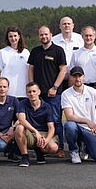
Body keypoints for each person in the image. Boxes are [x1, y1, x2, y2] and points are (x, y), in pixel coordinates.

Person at [28, 25, 67, 157]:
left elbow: (63, 70)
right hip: (39, 95)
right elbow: (31, 69)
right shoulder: (35, 51)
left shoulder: (58, 51)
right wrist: (32, 88)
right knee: (38, 120)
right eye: (41, 35)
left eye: (46, 34)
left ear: (51, 35)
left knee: (56, 120)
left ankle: (60, 147)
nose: (44, 37)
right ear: (38, 36)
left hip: (53, 94)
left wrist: (55, 87)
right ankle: (41, 147)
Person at [62, 66, 96, 164]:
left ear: (84, 77)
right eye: (74, 76)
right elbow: (69, 116)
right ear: (71, 78)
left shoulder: (93, 92)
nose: (77, 79)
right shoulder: (66, 94)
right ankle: (74, 150)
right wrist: (87, 121)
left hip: (91, 129)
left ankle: (86, 147)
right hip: (76, 126)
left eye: (79, 76)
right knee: (69, 125)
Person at [15, 82, 59, 167]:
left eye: (34, 91)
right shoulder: (22, 104)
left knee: (53, 148)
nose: (31, 94)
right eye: (29, 92)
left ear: (39, 92)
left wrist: (46, 141)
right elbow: (21, 119)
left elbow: (51, 128)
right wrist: (35, 132)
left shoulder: (47, 106)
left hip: (43, 133)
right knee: (19, 128)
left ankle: (39, 151)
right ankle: (25, 157)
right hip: (31, 133)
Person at [69, 26, 96, 97]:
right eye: (86, 36)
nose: (88, 38)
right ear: (82, 36)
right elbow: (71, 74)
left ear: (95, 36)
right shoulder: (76, 54)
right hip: (81, 87)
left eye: (90, 35)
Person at [0, 27, 30, 99]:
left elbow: (30, 70)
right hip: (8, 93)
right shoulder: (2, 52)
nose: (13, 38)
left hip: (23, 93)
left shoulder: (26, 52)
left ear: (19, 36)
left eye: (15, 36)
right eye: (10, 36)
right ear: (8, 38)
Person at [51, 16, 84, 90]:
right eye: (64, 24)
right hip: (58, 78)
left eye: (69, 24)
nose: (67, 26)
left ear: (73, 26)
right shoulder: (53, 40)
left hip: (76, 78)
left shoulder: (80, 39)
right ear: (59, 26)